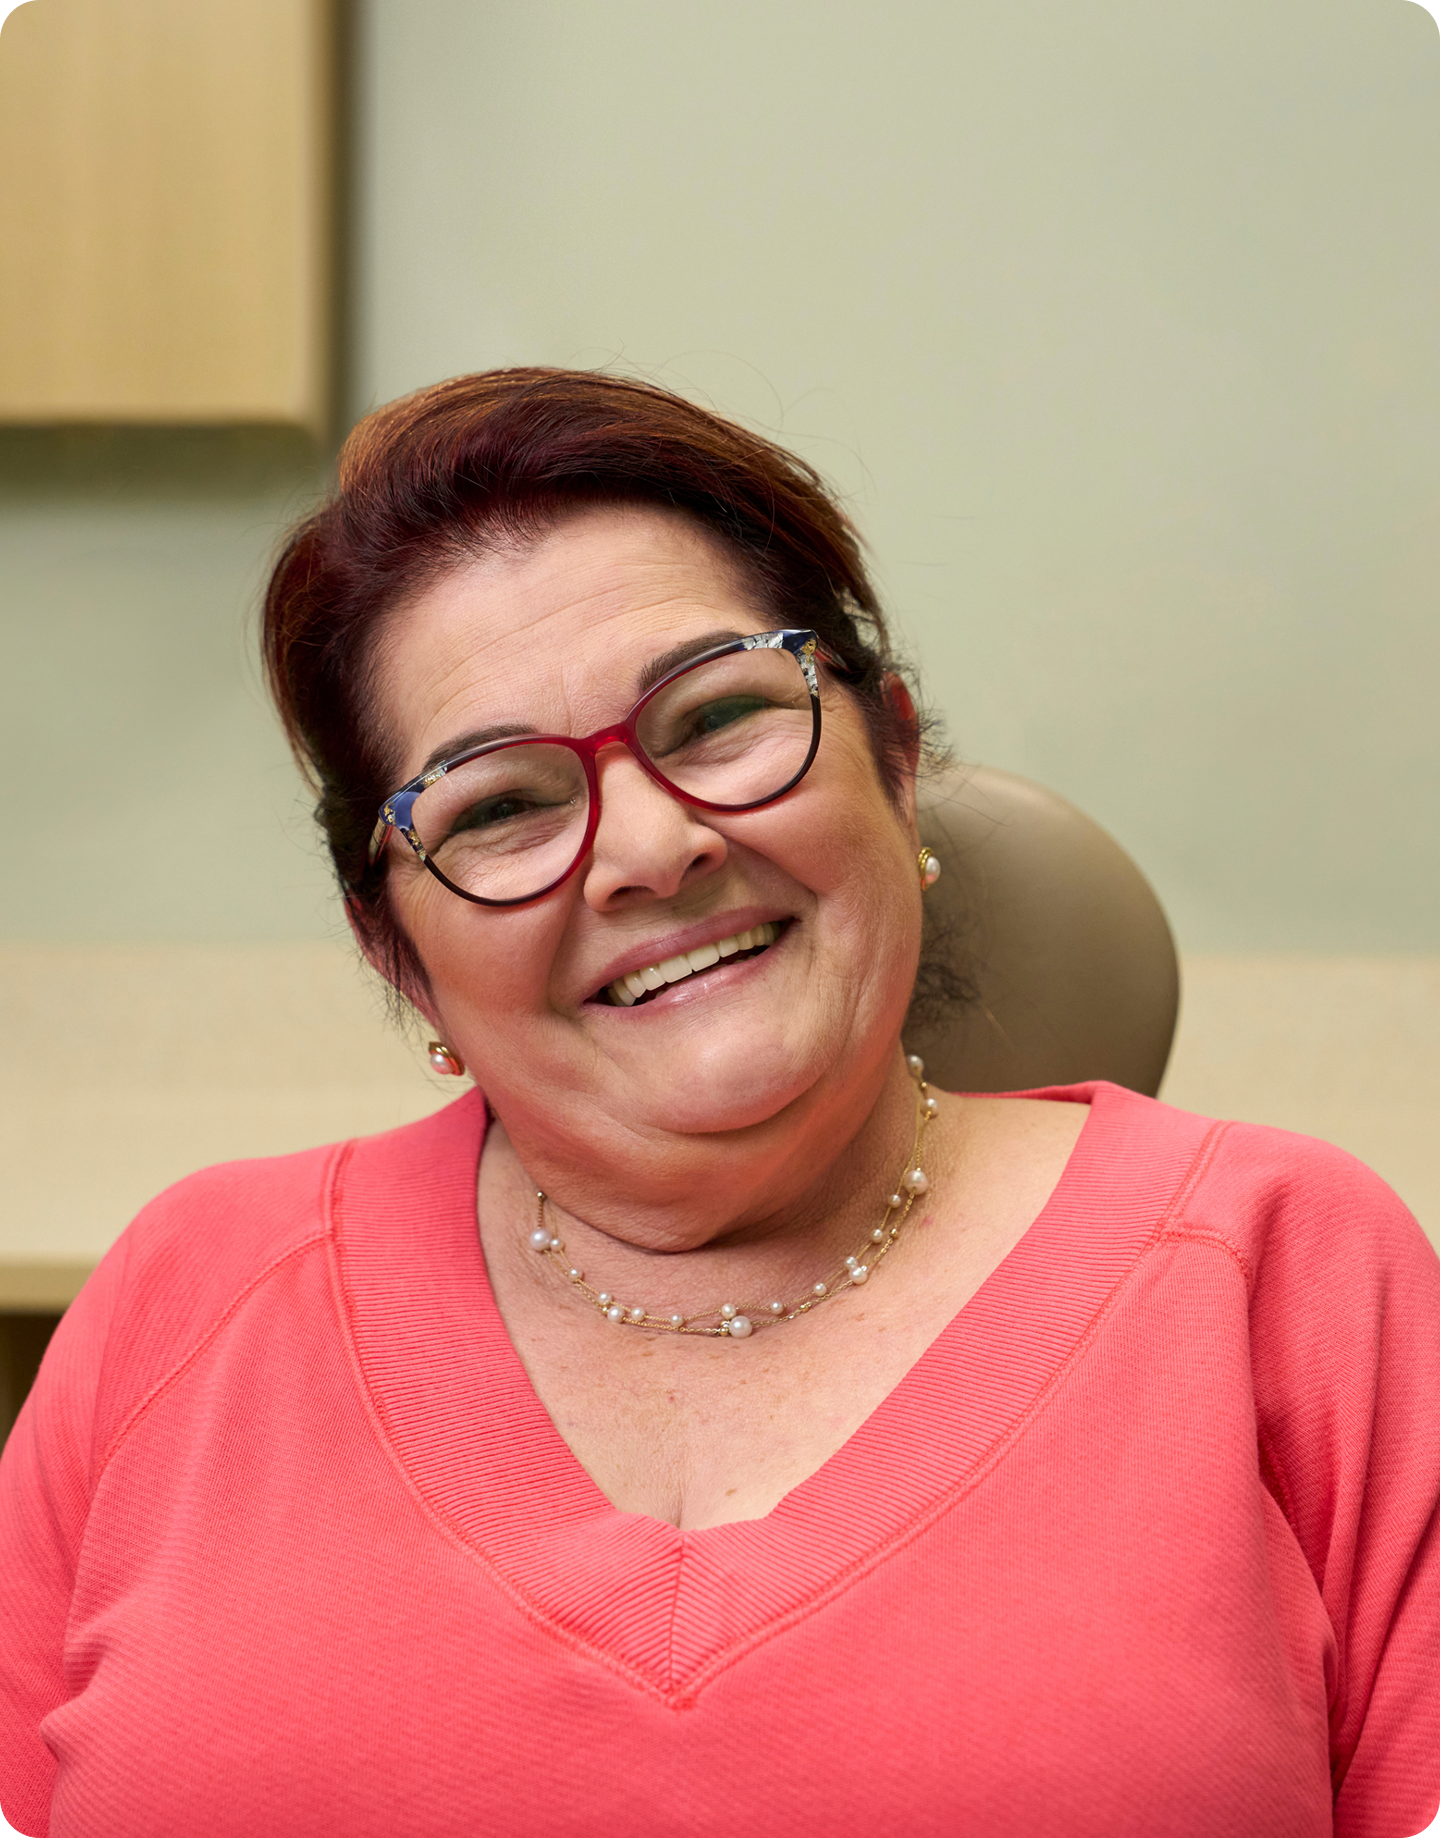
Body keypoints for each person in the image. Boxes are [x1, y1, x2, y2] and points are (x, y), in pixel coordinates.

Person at [1, 369, 1437, 1838]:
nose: (648, 845)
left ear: (890, 748)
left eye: (716, 717)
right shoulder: (181, 1301)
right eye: (497, 806)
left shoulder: (1290, 1274)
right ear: (402, 959)